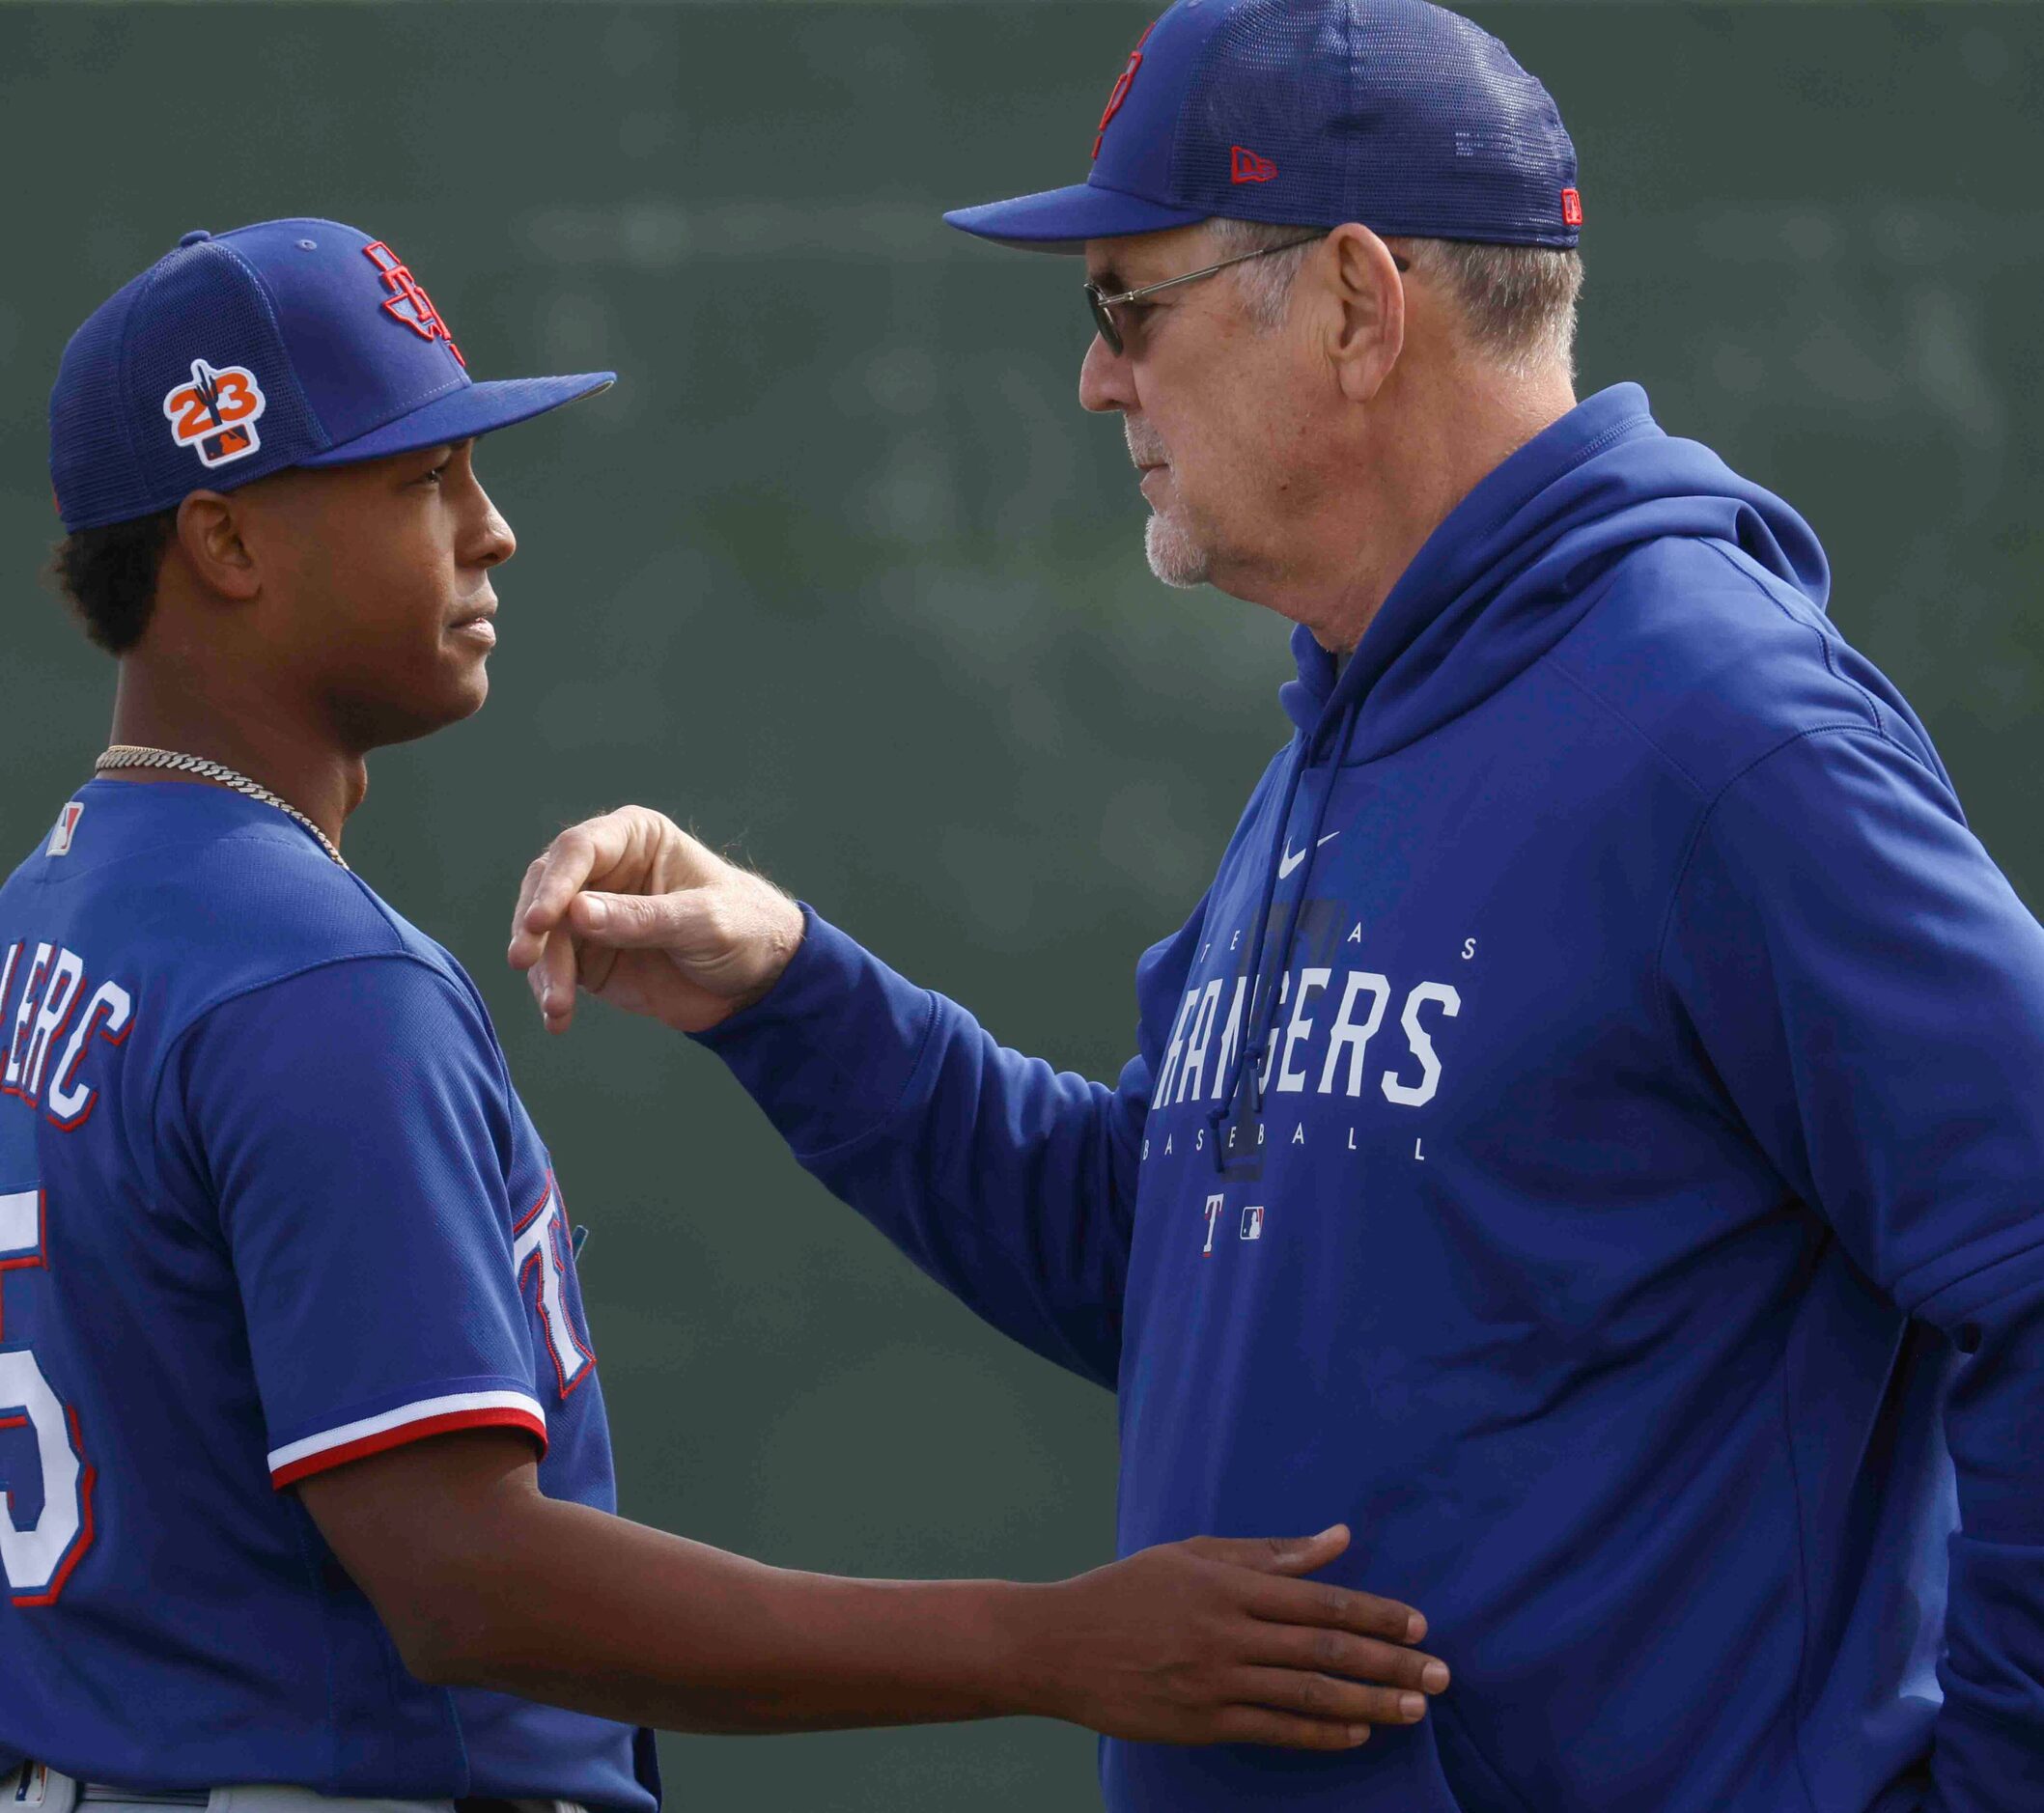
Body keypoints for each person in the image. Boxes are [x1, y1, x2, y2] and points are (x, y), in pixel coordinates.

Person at [509, 2, 2044, 1810]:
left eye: (1128, 304)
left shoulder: (1720, 730)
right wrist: (791, 995)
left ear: (1351, 301)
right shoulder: (1359, 717)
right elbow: (1167, 1253)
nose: (1096, 380)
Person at [0, 217, 1453, 1812]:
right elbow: (464, 1579)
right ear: (227, 542)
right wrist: (1046, 1642)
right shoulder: (317, 978)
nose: (491, 534)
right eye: (422, 482)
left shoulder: (48, 919)